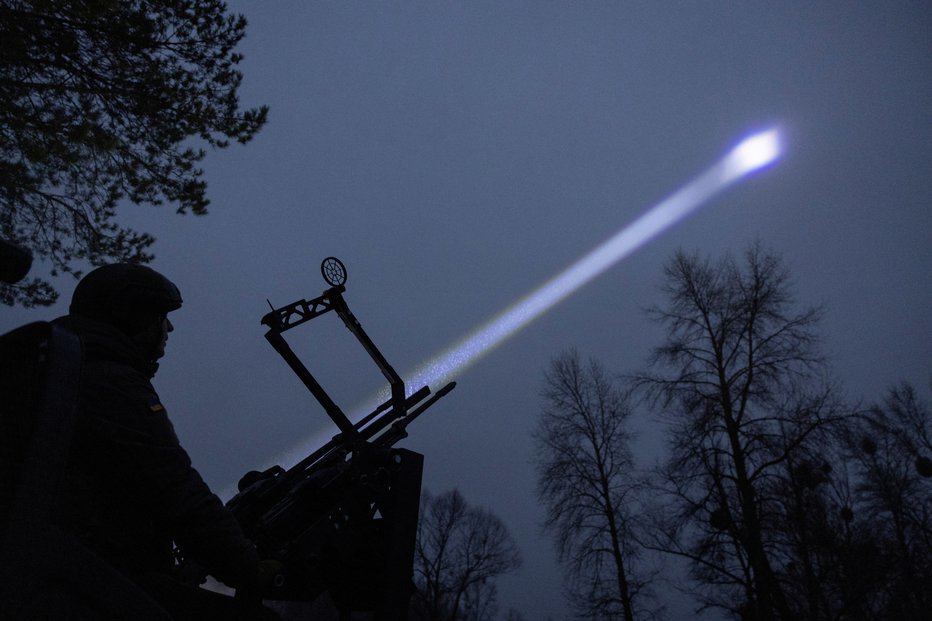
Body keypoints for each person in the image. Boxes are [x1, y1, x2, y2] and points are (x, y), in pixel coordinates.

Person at [50, 263, 279, 620]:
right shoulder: (110, 382)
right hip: (90, 585)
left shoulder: (70, 370)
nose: (169, 327)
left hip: (73, 574)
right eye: (161, 316)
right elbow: (175, 490)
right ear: (133, 317)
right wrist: (249, 567)